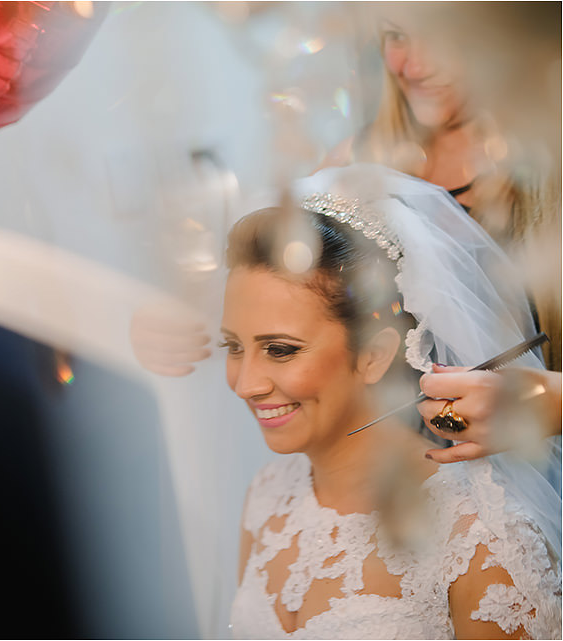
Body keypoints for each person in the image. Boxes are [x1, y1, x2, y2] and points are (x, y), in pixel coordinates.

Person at [132, 4, 562, 464]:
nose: (413, 65)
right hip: (402, 481)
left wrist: (549, 403)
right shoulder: (353, 164)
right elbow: (271, 293)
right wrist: (170, 319)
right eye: (396, 36)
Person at [224, 164, 560, 639]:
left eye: (280, 349)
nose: (245, 384)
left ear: (374, 356)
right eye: (233, 347)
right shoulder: (268, 495)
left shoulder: (479, 541)